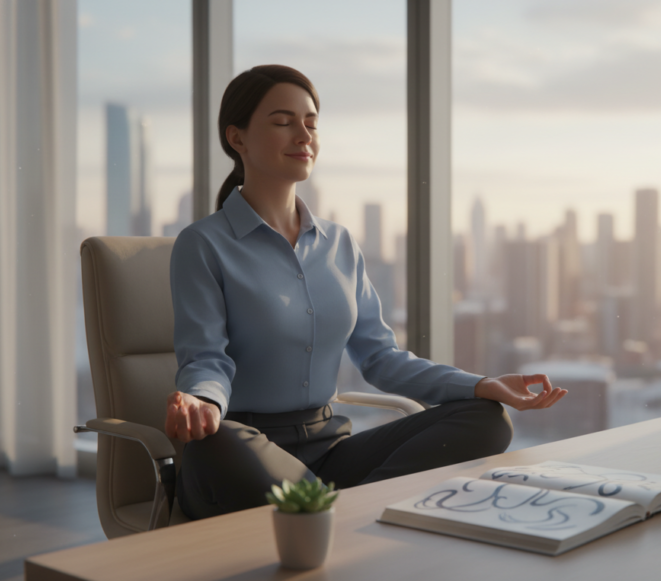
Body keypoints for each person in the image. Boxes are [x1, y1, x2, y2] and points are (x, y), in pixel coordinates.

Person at [168, 64, 568, 520]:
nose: (304, 135)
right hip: (245, 450)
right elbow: (205, 358)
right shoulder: (203, 244)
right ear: (236, 138)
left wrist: (480, 385)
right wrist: (201, 401)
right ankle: (357, 516)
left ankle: (332, 514)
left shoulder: (339, 244)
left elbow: (381, 359)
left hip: (330, 450)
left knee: (487, 418)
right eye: (283, 122)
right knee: (217, 441)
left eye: (312, 123)